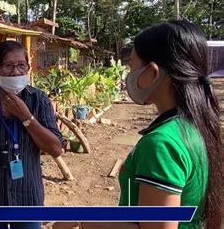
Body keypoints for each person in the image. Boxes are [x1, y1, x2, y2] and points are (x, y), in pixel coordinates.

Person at [55, 20, 223, 229]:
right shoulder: (195, 125)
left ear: (152, 72)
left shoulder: (162, 143)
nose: (128, 74)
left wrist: (82, 221)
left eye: (132, 65)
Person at [0, 41, 63, 229]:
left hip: (27, 196)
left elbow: (55, 148)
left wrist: (27, 117)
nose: (16, 72)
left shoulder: (38, 100)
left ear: (28, 67)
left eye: (21, 65)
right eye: (8, 66)